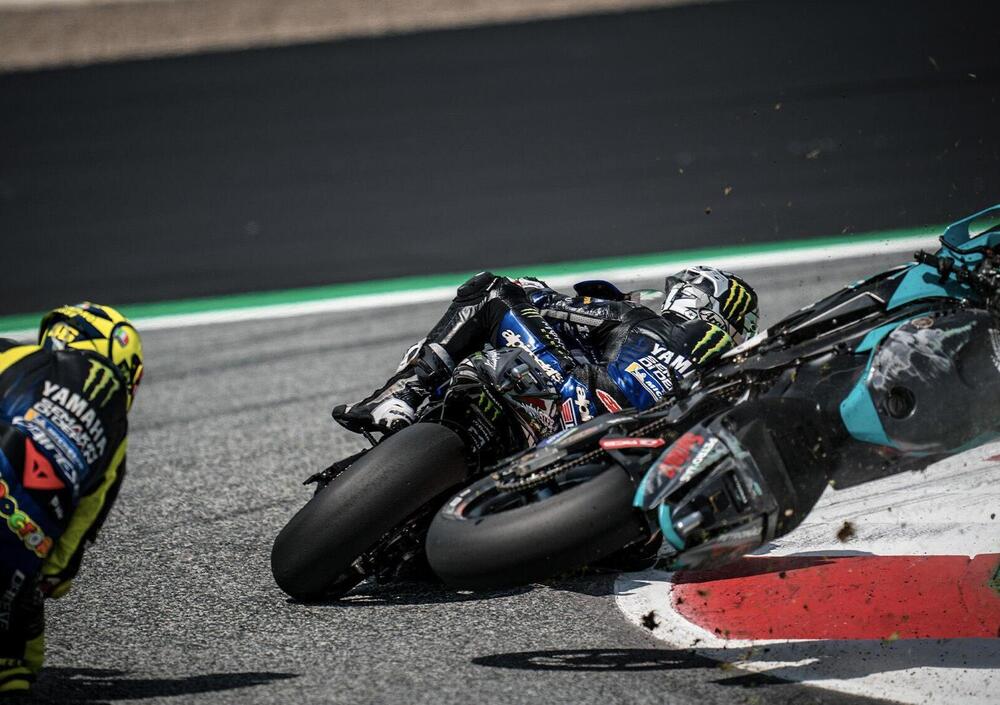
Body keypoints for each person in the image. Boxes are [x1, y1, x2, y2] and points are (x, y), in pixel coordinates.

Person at [333, 266, 758, 436]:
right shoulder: (734, 383)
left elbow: (556, 309)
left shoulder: (639, 318)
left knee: (491, 292)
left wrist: (535, 292)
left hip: (580, 401)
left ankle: (401, 395)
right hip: (640, 462)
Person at [0, 303, 143, 695]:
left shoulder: (18, 357)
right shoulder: (116, 434)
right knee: (20, 660)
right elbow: (62, 569)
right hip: (20, 546)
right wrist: (50, 572)